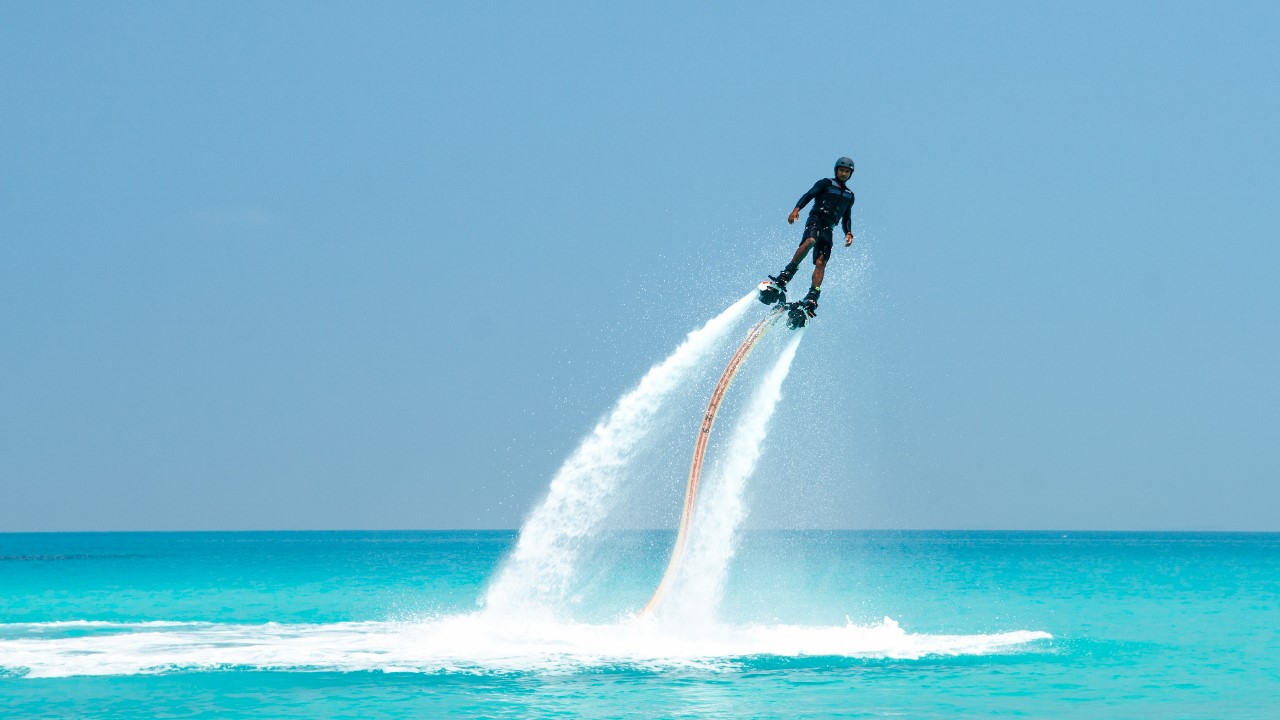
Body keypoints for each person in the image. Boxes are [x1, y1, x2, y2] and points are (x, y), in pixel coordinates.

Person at [760, 157, 856, 318]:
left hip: (829, 228)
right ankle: (786, 274)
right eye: (841, 170)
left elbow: (846, 217)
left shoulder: (849, 195)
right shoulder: (825, 183)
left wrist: (848, 232)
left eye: (847, 171)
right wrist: (796, 210)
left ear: (850, 174)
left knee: (821, 262)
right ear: (836, 170)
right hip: (816, 220)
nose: (844, 173)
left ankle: (812, 296)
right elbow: (809, 195)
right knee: (810, 240)